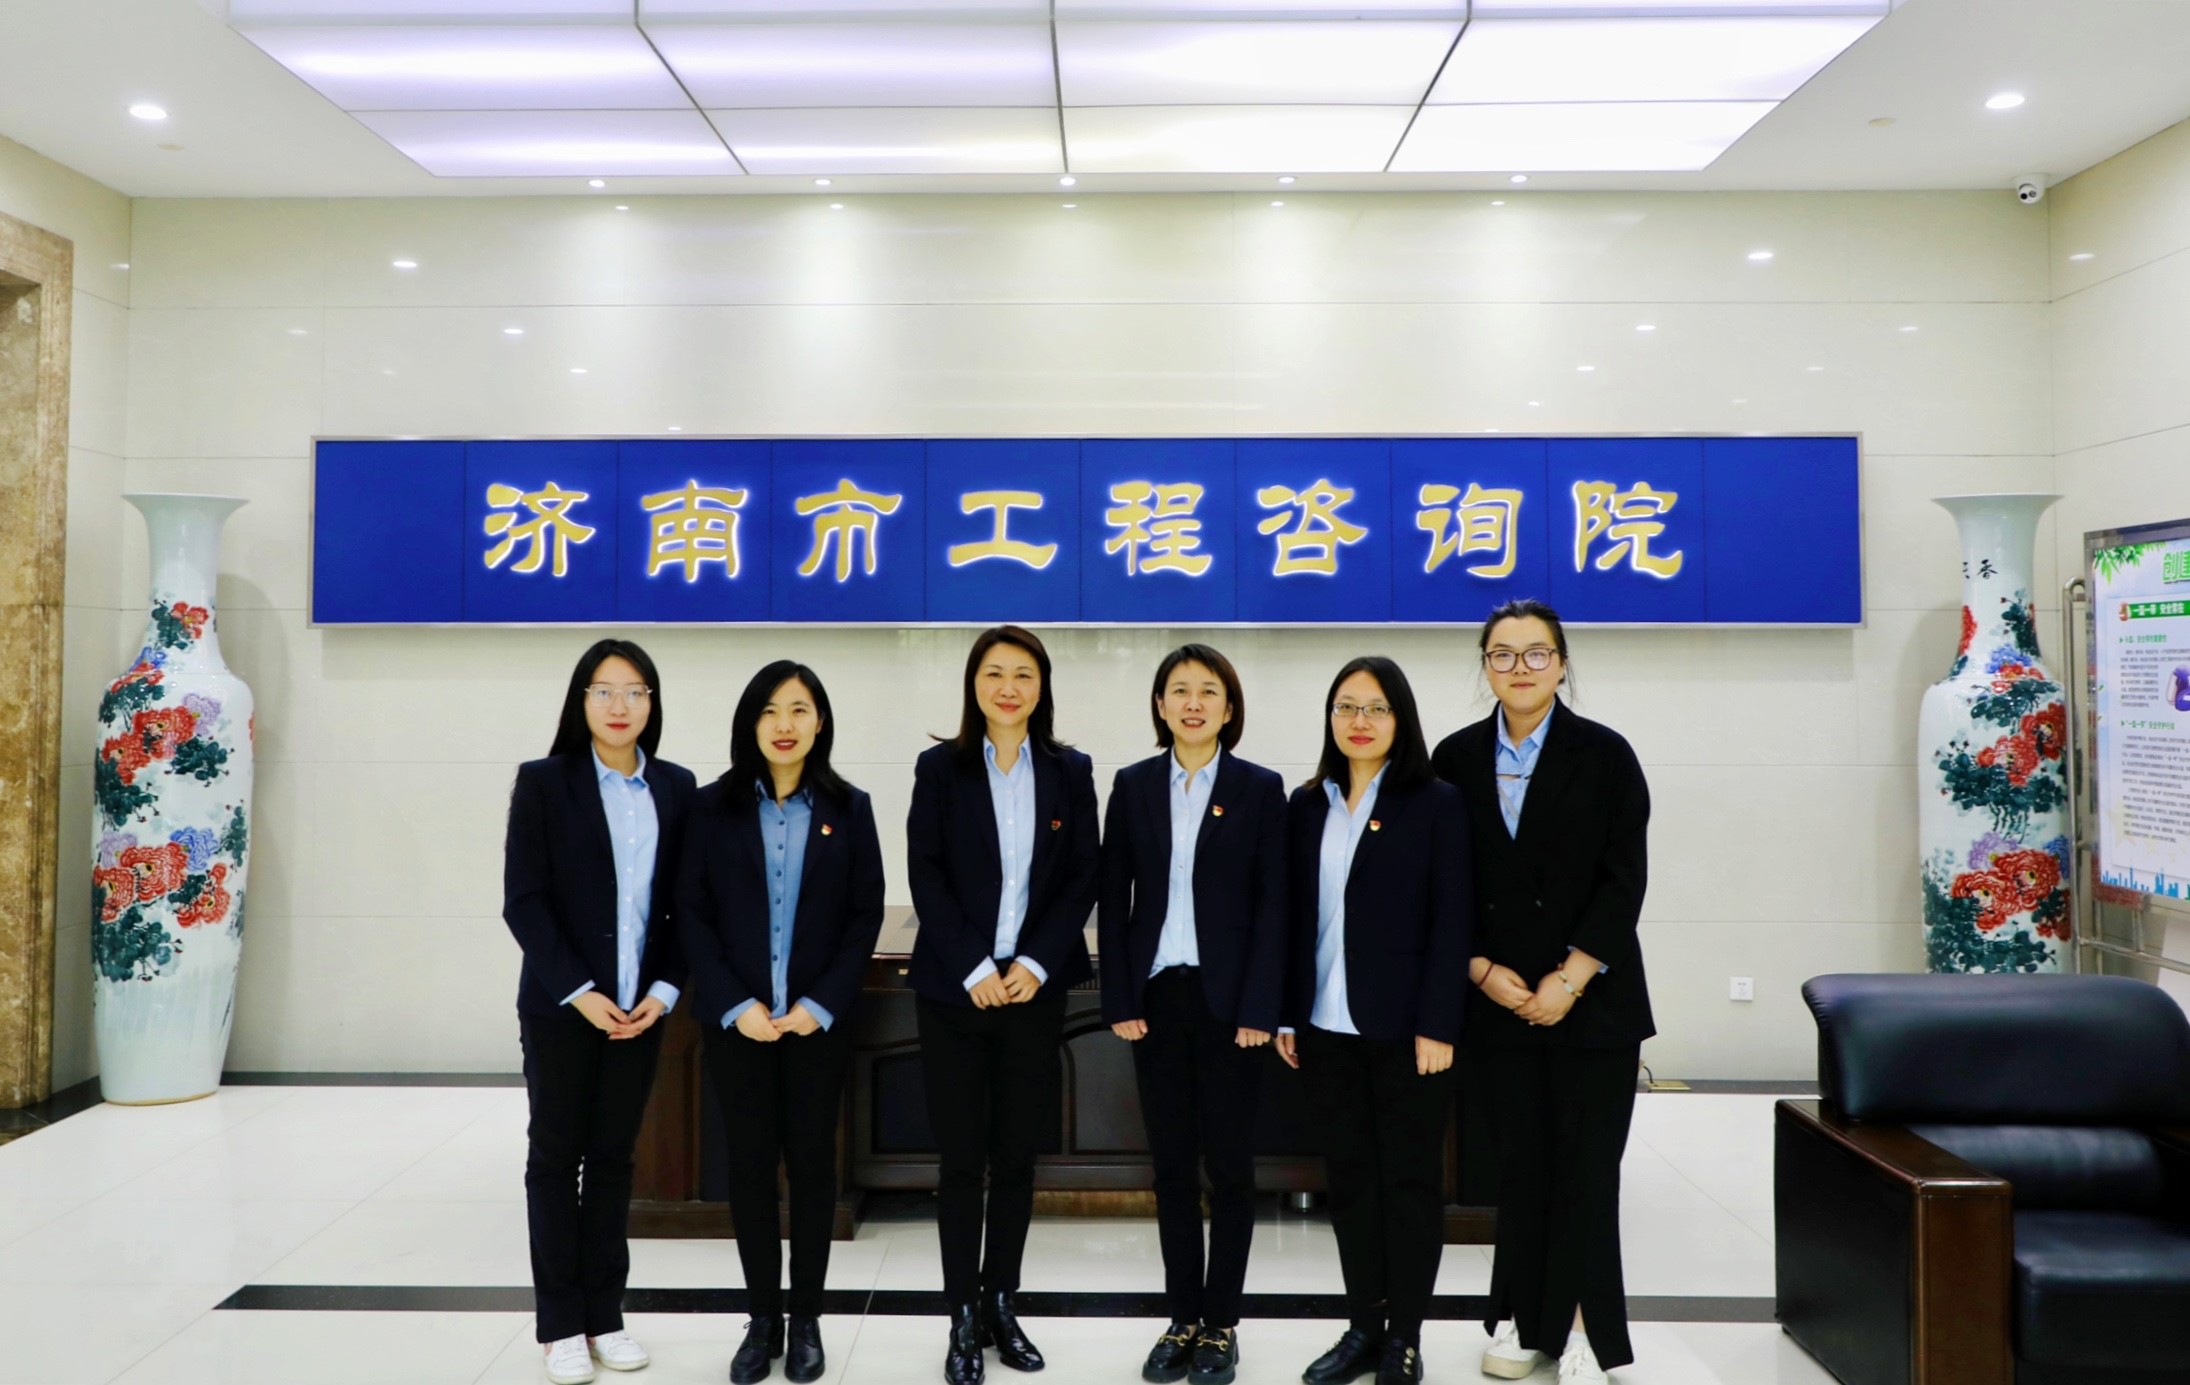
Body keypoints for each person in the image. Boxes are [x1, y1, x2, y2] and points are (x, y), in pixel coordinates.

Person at [1429, 599, 1654, 1385]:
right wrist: (1479, 968)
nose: (1519, 667)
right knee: (1520, 1171)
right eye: (1502, 653)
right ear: (1485, 665)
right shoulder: (1453, 758)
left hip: (1594, 1003)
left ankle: (1591, 1331)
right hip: (1496, 1003)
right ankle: (1530, 1322)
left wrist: (1570, 977)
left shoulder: (1606, 754)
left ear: (1561, 663)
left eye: (1535, 653)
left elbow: (1624, 880)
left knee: (1587, 1173)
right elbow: (1440, 881)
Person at [678, 661, 886, 1385]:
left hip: (814, 1025)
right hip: (737, 1024)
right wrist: (737, 1005)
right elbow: (691, 913)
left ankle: (806, 1319)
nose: (785, 724)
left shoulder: (850, 808)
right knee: (748, 1167)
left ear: (820, 721)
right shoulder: (711, 807)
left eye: (799, 709)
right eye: (769, 710)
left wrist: (817, 1006)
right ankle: (762, 1317)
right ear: (750, 722)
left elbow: (864, 915)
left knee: (813, 1168)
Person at [907, 625, 1100, 1385]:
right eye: (994, 672)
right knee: (961, 1159)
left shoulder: (1070, 770)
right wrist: (974, 965)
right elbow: (926, 873)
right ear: (974, 684)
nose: (1009, 687)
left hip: (1031, 991)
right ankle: (960, 1313)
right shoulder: (940, 768)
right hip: (955, 992)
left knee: (1018, 1157)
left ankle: (1000, 1303)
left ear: (1042, 686)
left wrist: (1034, 962)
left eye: (1024, 673)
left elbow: (1083, 874)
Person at [503, 639, 697, 1385]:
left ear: (653, 703)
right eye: (605, 691)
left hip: (639, 1012)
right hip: (564, 1008)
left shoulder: (675, 788)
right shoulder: (545, 782)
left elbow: (686, 906)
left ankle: (606, 1315)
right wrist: (580, 992)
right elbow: (525, 901)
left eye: (636, 691)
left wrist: (663, 993)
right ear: (580, 700)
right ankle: (561, 1324)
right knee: (555, 1158)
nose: (621, 706)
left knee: (615, 1159)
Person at [1277, 657, 1471, 1385]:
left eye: (1377, 708)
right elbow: (1294, 919)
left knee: (1410, 1185)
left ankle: (1405, 1337)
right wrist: (1287, 1013)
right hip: (1324, 1027)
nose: (1360, 721)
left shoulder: (1437, 803)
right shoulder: (1307, 804)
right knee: (1351, 1182)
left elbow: (1452, 920)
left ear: (1401, 719)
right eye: (1346, 706)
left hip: (1408, 1032)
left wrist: (1439, 1023)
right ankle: (1363, 1326)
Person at [1098, 645, 1289, 1385]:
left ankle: (1222, 1323)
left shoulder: (1258, 788)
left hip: (1232, 1005)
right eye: (1179, 690)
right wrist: (1120, 997)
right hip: (1157, 999)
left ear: (1229, 707)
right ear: (1160, 705)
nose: (1193, 703)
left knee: (1232, 1168)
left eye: (1208, 691)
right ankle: (1182, 1316)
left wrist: (1261, 1006)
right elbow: (1114, 896)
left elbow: (1275, 905)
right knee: (1172, 1167)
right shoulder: (1133, 784)